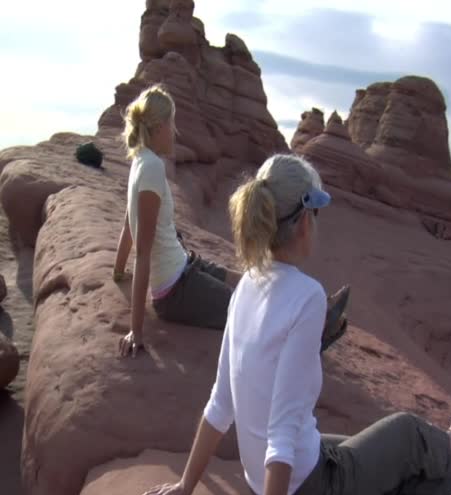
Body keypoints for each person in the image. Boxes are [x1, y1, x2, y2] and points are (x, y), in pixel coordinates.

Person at [132, 154, 451, 495]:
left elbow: (220, 404)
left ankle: (446, 455)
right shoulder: (307, 297)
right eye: (317, 213)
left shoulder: (246, 284)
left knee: (373, 457)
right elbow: (281, 434)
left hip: (265, 482)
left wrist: (185, 487)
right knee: (405, 432)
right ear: (305, 221)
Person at [112, 85, 349, 358]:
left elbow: (129, 221)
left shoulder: (141, 161)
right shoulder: (152, 167)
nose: (174, 132)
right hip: (174, 291)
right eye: (171, 123)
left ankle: (313, 309)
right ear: (157, 127)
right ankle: (315, 334)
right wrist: (136, 331)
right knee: (243, 309)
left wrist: (118, 271)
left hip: (183, 267)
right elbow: (142, 250)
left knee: (241, 280)